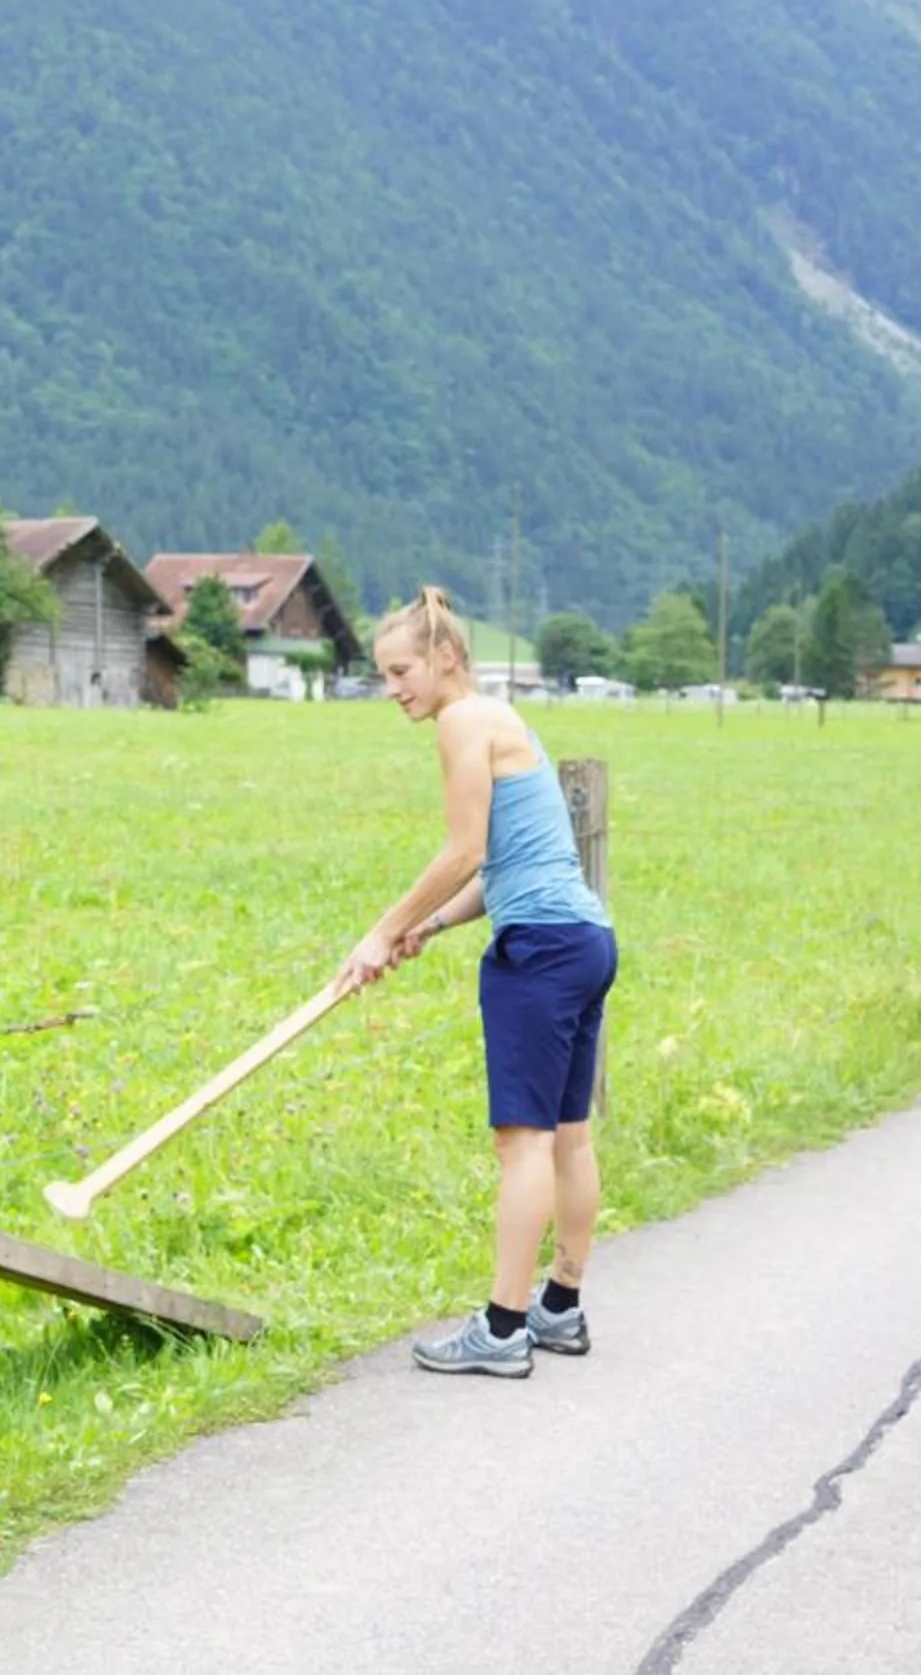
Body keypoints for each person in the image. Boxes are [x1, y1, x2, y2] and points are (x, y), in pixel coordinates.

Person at [337, 587, 617, 1379]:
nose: (392, 688)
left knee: (521, 1142)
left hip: (540, 955)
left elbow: (463, 851)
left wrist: (381, 930)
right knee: (568, 1134)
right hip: (585, 939)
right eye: (383, 674)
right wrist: (429, 927)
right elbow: (506, 868)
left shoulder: (462, 723)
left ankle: (501, 1328)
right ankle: (557, 1310)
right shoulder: (503, 719)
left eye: (401, 671)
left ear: (445, 658)